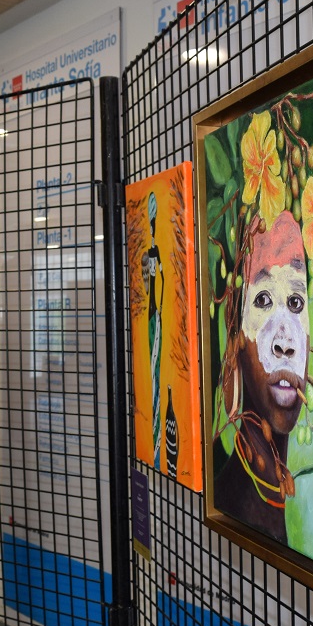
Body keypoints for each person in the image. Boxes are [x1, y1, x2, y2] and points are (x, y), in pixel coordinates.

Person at [214, 213, 310, 543]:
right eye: (263, 300)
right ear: (236, 338)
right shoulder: (226, 502)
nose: (285, 343)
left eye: (296, 302)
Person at [141, 192, 165, 469]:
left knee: (156, 373)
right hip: (152, 317)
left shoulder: (156, 250)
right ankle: (155, 443)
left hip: (157, 316)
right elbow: (148, 285)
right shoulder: (148, 254)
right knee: (153, 374)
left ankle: (157, 446)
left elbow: (162, 281)